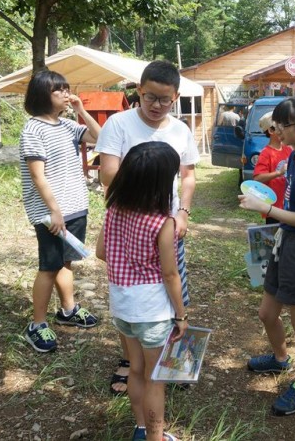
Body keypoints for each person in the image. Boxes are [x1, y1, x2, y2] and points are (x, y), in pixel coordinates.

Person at [95, 60, 199, 396]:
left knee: (173, 287)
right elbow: (108, 174)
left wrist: (182, 212)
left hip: (168, 224)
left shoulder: (180, 130)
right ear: (138, 91)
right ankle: (131, 360)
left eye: (164, 99)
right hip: (130, 221)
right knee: (129, 292)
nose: (156, 105)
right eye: (150, 97)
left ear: (175, 97)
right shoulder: (118, 124)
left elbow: (188, 176)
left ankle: (171, 357)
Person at [238, 97, 295, 416]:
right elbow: (290, 208)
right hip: (285, 240)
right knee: (267, 313)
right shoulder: (294, 157)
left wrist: (265, 208)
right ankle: (280, 359)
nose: (276, 131)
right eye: (274, 126)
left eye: (281, 126)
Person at [95, 141, 187, 441]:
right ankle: (155, 437)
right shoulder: (163, 223)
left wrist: (127, 261)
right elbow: (170, 274)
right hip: (152, 311)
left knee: (135, 369)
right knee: (154, 379)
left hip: (122, 305)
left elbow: (101, 252)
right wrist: (181, 315)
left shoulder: (114, 209)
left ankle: (141, 428)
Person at [18, 70, 101, 353]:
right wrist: (54, 211)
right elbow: (37, 176)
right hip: (50, 212)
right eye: (60, 90)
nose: (67, 94)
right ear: (43, 95)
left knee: (65, 262)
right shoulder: (33, 129)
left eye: (67, 89)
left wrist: (81, 111)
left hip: (75, 205)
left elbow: (100, 138)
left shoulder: (67, 125)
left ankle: (68, 310)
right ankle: (37, 324)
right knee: (49, 266)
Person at [253, 111, 292, 225]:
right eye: (279, 127)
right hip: (273, 207)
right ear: (271, 130)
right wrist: (279, 172)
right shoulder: (266, 153)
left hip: (288, 204)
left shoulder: (288, 149)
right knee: (275, 234)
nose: (283, 130)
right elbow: (257, 178)